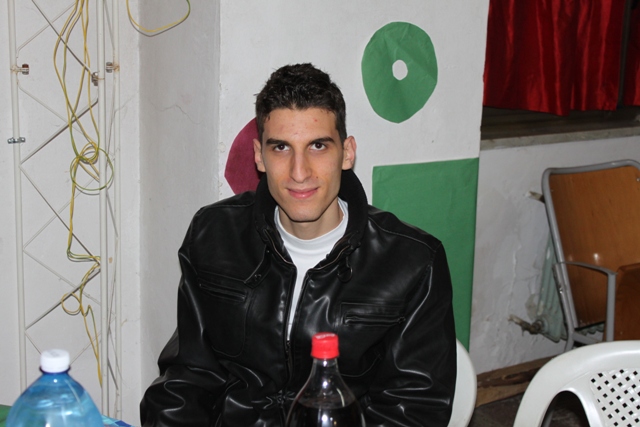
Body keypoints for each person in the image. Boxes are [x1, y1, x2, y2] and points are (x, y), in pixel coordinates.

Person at [140, 63, 457, 426]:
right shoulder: (214, 235)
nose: (299, 172)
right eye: (281, 148)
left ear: (347, 152)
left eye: (318, 146)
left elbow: (413, 411)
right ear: (259, 156)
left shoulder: (412, 262)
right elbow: (188, 377)